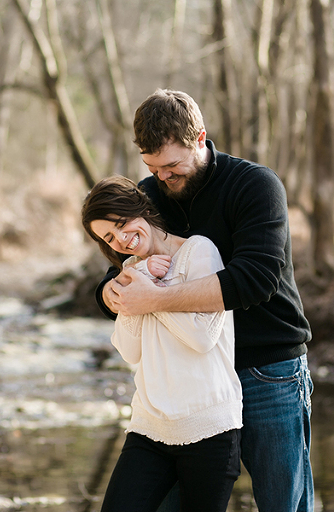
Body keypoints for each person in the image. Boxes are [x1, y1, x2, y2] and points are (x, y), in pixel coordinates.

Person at [96, 89, 314, 511]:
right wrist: (112, 291)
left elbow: (254, 280)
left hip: (268, 369)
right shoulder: (151, 193)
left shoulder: (255, 185)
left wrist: (153, 299)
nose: (163, 177)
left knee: (282, 504)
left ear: (200, 139)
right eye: (152, 167)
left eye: (172, 166)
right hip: (190, 386)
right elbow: (117, 271)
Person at [82, 176, 242, 512]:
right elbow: (130, 350)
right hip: (149, 426)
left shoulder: (199, 251)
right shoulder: (131, 270)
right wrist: (140, 279)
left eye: (121, 224)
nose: (122, 240)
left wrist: (152, 295)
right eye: (109, 237)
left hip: (208, 427)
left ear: (139, 208)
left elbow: (202, 337)